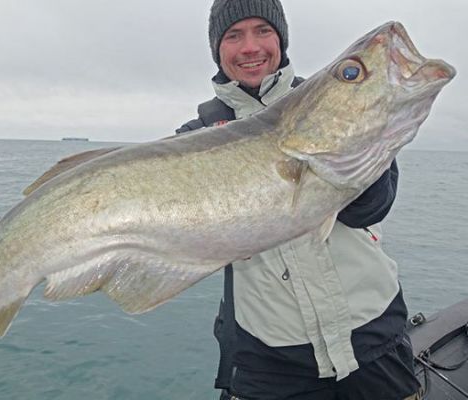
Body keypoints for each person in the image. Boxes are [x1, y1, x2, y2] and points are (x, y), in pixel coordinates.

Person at [176, 0, 422, 399]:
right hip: (270, 355)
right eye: (234, 35)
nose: (250, 46)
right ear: (217, 50)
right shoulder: (194, 137)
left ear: (281, 39)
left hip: (372, 329)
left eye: (263, 31)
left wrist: (354, 136)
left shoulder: (333, 99)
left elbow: (371, 209)